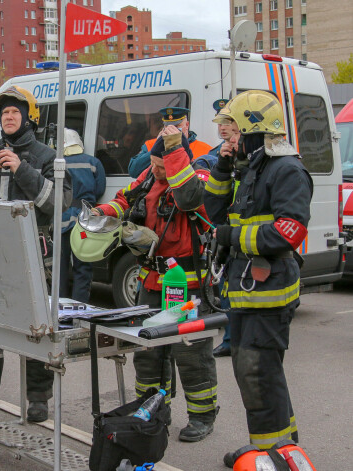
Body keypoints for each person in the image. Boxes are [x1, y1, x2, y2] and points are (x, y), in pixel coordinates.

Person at [203, 90, 312, 465]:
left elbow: (289, 231)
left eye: (234, 134)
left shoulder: (287, 170)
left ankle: (272, 454)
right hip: (247, 292)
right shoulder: (251, 169)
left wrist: (233, 238)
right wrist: (221, 167)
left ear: (255, 130)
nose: (230, 140)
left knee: (258, 375)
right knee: (259, 376)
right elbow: (214, 210)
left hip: (270, 295)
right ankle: (283, 448)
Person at [93, 123, 218, 442]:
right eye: (155, 163)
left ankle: (203, 415)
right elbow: (123, 200)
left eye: (162, 164)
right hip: (151, 281)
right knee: (148, 351)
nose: (155, 169)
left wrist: (174, 151)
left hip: (187, 286)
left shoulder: (195, 179)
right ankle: (153, 411)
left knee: (190, 353)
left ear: (176, 160)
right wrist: (102, 214)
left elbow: (189, 199)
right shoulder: (148, 176)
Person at [0, 85, 72, 426]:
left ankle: (38, 400)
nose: (8, 117)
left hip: (36, 263)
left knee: (36, 332)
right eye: (4, 112)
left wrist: (22, 168)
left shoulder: (48, 158)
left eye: (15, 112)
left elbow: (58, 205)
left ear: (28, 119)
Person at [59, 128, 106, 303]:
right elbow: (99, 189)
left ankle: (59, 308)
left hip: (61, 219)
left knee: (60, 267)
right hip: (85, 221)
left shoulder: (57, 163)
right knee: (83, 267)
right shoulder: (93, 162)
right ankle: (79, 310)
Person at [207, 99, 238, 358]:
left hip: (240, 238)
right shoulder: (216, 154)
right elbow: (214, 203)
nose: (224, 127)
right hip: (225, 233)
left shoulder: (248, 157)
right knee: (224, 287)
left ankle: (232, 339)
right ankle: (231, 339)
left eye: (230, 122)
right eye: (221, 120)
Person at [128, 107, 213, 179]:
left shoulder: (205, 149)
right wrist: (157, 148)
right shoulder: (151, 144)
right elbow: (134, 171)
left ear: (187, 125)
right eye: (167, 127)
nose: (171, 130)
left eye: (177, 127)